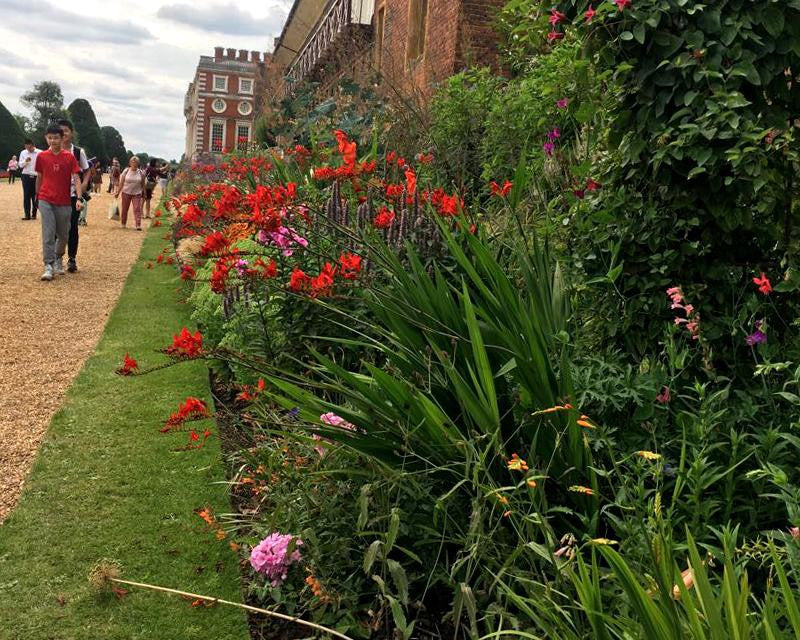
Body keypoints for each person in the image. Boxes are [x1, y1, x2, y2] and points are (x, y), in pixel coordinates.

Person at [35, 124, 83, 281]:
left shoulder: (69, 157)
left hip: (64, 201)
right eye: (50, 137)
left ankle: (58, 257)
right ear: (46, 138)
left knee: (63, 236)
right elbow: (40, 177)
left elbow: (76, 177)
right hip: (46, 199)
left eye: (56, 137)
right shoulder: (41, 156)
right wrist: (37, 196)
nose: (53, 140)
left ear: (62, 138)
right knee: (48, 233)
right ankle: (48, 265)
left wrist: (79, 197)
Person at [56, 119, 90, 273]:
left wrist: (83, 185)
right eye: (60, 131)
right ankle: (57, 258)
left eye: (66, 131)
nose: (63, 134)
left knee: (72, 227)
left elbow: (87, 170)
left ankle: (71, 258)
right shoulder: (52, 150)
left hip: (72, 194)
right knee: (57, 228)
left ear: (71, 133)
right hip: (56, 194)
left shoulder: (77, 152)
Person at [115, 156, 145, 230]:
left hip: (137, 193)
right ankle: (123, 223)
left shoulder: (141, 172)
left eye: (136, 163)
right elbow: (121, 183)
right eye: (133, 162)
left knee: (137, 208)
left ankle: (138, 225)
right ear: (130, 163)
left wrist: (144, 192)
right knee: (125, 209)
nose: (134, 164)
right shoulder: (126, 171)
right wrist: (118, 192)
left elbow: (143, 184)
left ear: (138, 164)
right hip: (126, 192)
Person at [18, 139, 40, 220]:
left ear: (33, 145)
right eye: (27, 148)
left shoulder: (40, 152)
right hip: (26, 175)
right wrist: (25, 161)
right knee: (26, 195)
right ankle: (27, 215)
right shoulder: (23, 153)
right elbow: (20, 165)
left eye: (30, 148)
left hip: (36, 176)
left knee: (35, 195)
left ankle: (34, 214)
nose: (29, 149)